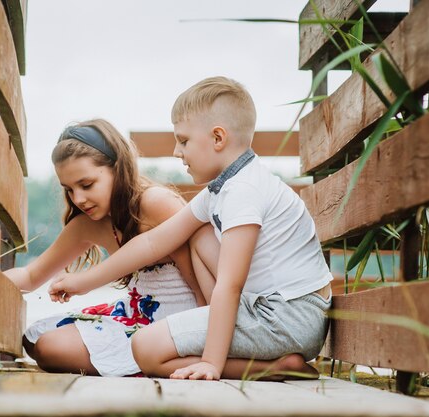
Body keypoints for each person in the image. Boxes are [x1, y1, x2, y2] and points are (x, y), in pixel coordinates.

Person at [48, 76, 333, 381]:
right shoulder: (221, 191)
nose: (176, 151)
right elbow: (152, 243)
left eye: (183, 141)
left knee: (145, 349)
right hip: (273, 312)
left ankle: (272, 367)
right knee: (194, 234)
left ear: (218, 138)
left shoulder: (243, 192)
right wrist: (84, 282)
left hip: (287, 318)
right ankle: (261, 361)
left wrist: (211, 362)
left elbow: (230, 285)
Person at [5, 118, 205, 377]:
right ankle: (123, 359)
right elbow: (32, 275)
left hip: (177, 318)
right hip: (134, 312)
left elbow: (197, 278)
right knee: (34, 338)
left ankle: (156, 360)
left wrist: (208, 333)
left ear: (117, 169)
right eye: (69, 189)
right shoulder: (88, 224)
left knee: (50, 348)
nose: (78, 199)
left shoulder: (155, 204)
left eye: (86, 185)